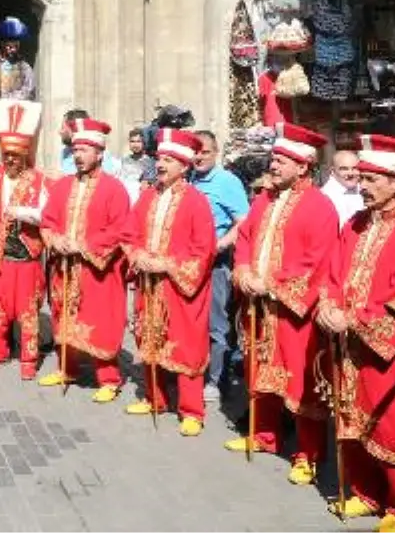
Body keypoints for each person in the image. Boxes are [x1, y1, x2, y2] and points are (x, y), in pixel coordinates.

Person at [316, 134, 395, 532]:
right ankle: (366, 494)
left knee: (392, 429)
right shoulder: (355, 223)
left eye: (371, 179)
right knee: (351, 421)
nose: (362, 185)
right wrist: (329, 306)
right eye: (362, 177)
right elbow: (332, 273)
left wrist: (353, 320)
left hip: (389, 351)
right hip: (347, 343)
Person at [226, 123, 337, 487]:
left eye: (281, 160)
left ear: (302, 166)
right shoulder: (264, 199)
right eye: (273, 159)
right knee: (260, 372)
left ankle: (309, 454)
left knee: (300, 382)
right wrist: (242, 269)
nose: (273, 166)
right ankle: (264, 434)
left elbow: (317, 261)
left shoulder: (320, 206)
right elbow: (245, 236)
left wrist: (270, 283)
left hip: (293, 312)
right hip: (258, 306)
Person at [124, 129, 217, 436]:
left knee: (185, 345)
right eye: (159, 158)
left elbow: (203, 250)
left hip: (179, 288)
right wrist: (137, 255)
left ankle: (192, 410)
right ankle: (155, 398)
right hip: (149, 285)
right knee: (149, 338)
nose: (160, 165)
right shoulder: (147, 196)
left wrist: (166, 264)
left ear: (184, 165)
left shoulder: (197, 202)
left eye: (167, 160)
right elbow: (130, 234)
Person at [37, 117, 135, 402]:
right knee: (63, 316)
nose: (78, 156)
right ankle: (67, 368)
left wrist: (81, 245)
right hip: (64, 268)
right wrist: (55, 240)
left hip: (96, 270)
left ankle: (109, 378)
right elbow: (48, 221)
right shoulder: (62, 186)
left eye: (85, 150)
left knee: (100, 320)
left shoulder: (114, 189)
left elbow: (119, 230)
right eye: (76, 150)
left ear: (100, 153)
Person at [0, 100, 48, 380]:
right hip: (0, 254)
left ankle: (29, 358)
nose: (10, 160)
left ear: (25, 153)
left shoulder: (39, 180)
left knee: (28, 312)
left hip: (26, 257)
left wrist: (23, 213)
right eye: (7, 154)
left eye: (15, 155)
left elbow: (47, 216)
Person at [188, 130, 251, 401]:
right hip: (189, 265)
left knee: (217, 324)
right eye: (195, 152)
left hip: (216, 264)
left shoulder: (227, 182)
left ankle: (216, 379)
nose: (199, 157)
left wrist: (219, 246)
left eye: (205, 152)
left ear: (216, 153)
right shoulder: (187, 179)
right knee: (193, 322)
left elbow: (244, 223)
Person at [0, 17, 37, 134]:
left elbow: (30, 90)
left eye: (15, 46)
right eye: (9, 46)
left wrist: (8, 99)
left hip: (13, 114)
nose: (12, 50)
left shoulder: (24, 67)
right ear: (2, 44)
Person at [57, 109, 121, 177]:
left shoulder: (103, 158)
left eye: (63, 128)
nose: (60, 132)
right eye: (76, 150)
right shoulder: (65, 152)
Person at [321, 149, 365, 229]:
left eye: (355, 168)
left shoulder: (365, 189)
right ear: (333, 171)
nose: (350, 173)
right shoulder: (324, 197)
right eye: (344, 169)